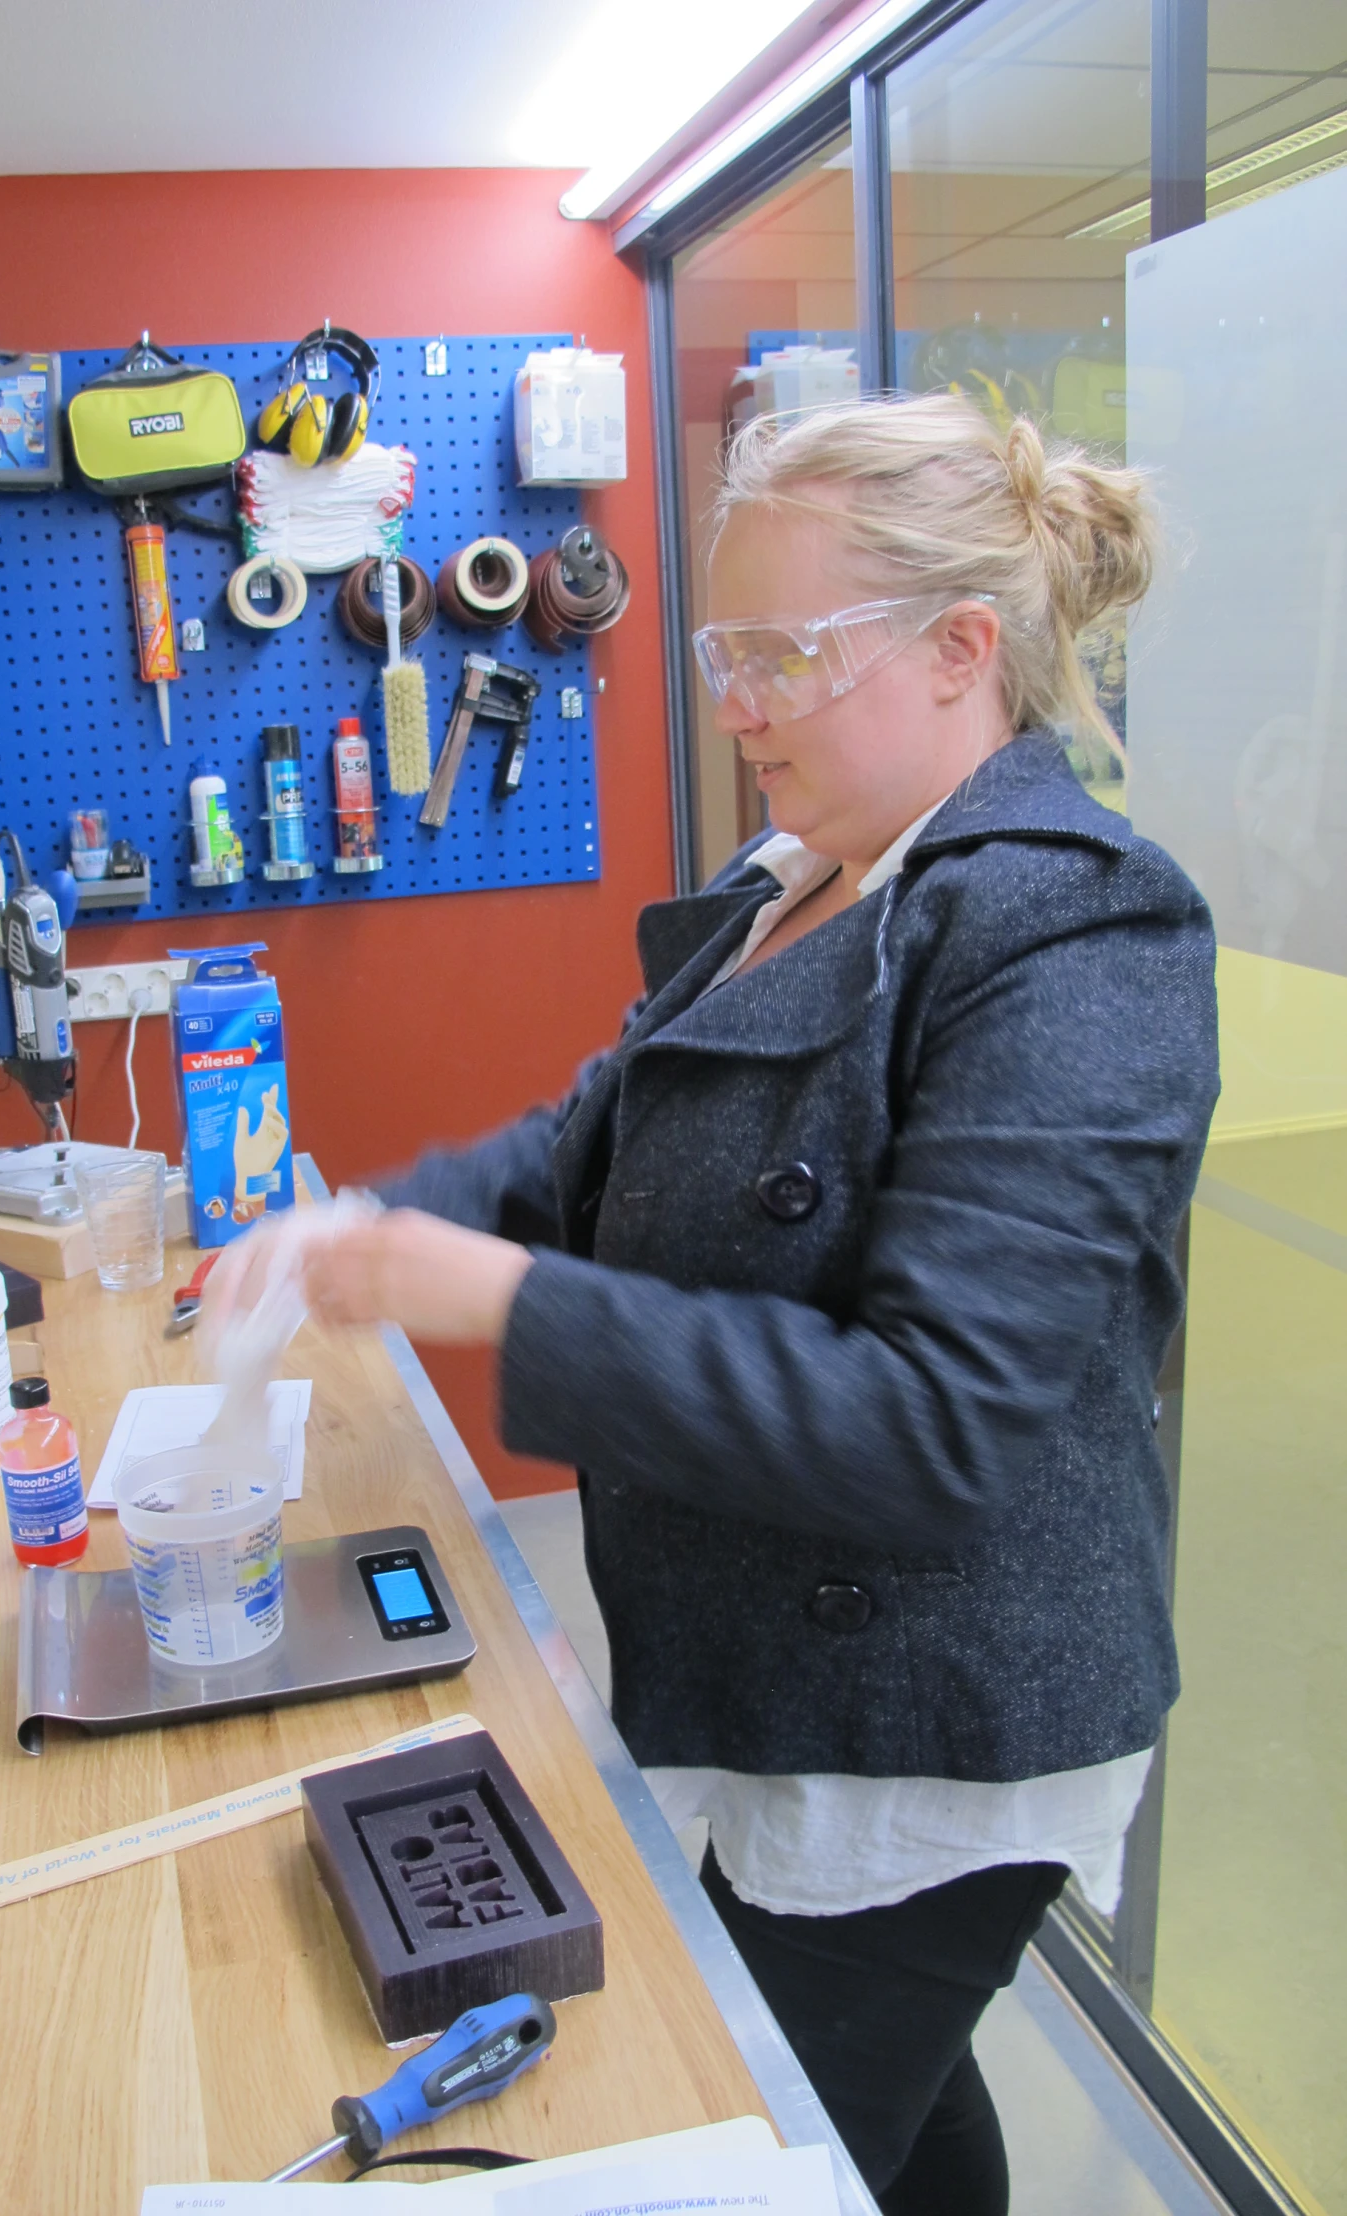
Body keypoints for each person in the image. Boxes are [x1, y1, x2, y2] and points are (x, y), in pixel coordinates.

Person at [206, 392, 1220, 2214]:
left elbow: (938, 1426)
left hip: (927, 1709)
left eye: (781, 656)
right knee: (872, 2105)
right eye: (721, 651)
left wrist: (498, 1297)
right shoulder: (794, 888)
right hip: (752, 1647)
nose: (732, 703)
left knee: (741, 2126)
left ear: (957, 650)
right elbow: (578, 1151)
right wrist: (359, 1229)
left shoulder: (1076, 931)